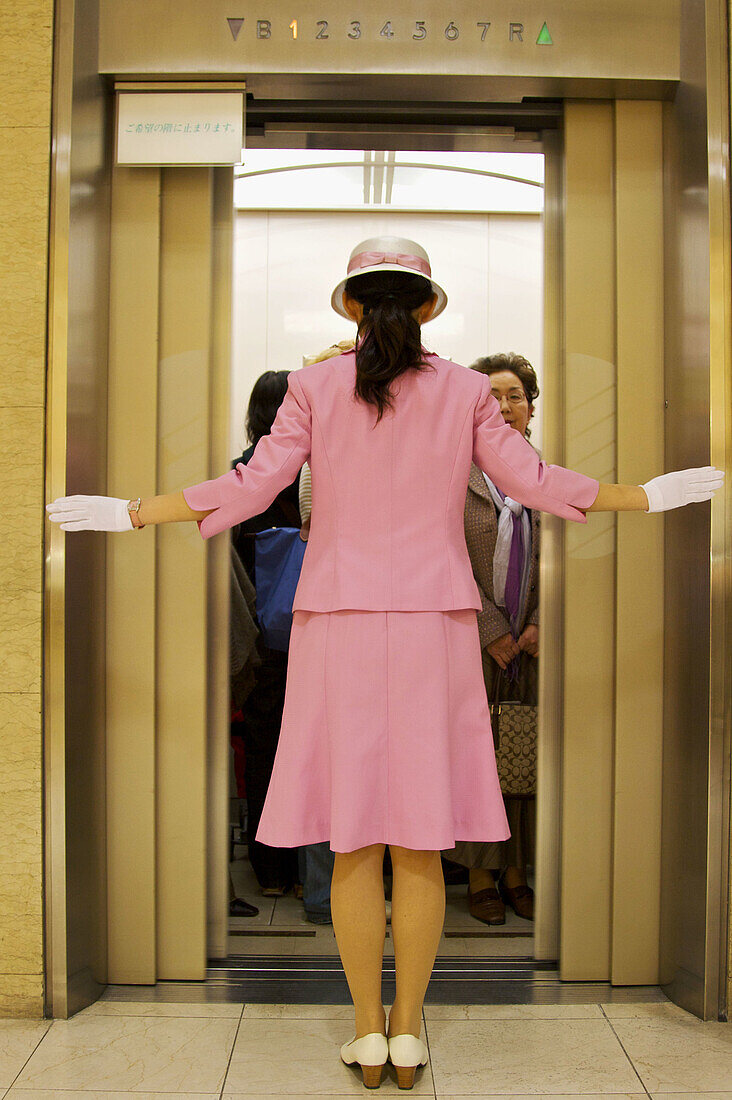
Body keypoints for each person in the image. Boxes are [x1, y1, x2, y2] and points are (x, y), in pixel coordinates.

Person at [47, 235, 724, 1091]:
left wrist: (133, 511)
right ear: (429, 305)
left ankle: (366, 1032)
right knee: (419, 838)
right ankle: (410, 1035)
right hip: (439, 625)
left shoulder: (315, 385)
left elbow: (253, 486)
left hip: (340, 625)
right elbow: (538, 480)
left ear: (355, 305)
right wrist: (647, 495)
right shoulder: (471, 392)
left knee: (357, 835)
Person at [444, 352, 541, 926]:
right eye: (493, 398)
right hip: (471, 640)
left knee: (525, 755)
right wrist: (492, 628)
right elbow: (445, 555)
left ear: (531, 406)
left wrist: (538, 624)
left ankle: (518, 874)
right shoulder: (457, 472)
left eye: (515, 397)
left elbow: (568, 557)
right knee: (477, 756)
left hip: (533, 644)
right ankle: (479, 874)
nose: (505, 408)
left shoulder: (543, 475)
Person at [230, 370, 302, 899]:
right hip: (316, 630)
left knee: (266, 747)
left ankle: (270, 869)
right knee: (310, 750)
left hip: (262, 636)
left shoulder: (244, 473)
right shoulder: (314, 469)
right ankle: (307, 872)